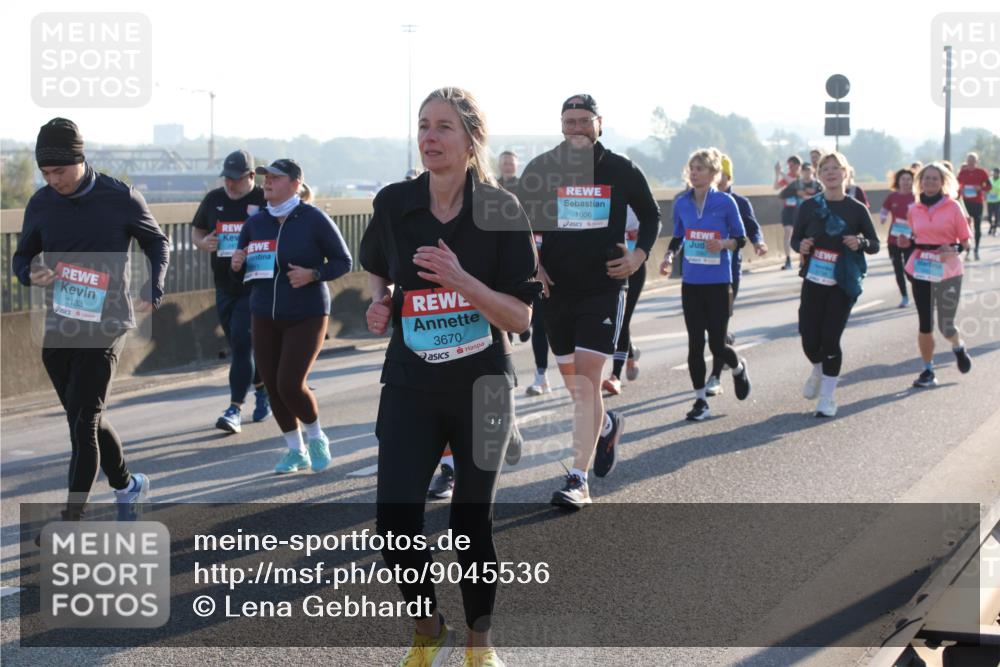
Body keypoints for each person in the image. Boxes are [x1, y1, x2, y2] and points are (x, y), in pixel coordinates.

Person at [361, 86, 537, 667]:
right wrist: (380, 303)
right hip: (411, 381)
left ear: (470, 142)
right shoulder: (393, 204)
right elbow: (376, 272)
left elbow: (519, 316)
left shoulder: (502, 210)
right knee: (394, 520)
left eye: (443, 128)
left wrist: (464, 282)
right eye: (423, 126)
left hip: (483, 382)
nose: (429, 138)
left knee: (471, 523)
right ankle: (427, 626)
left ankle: (479, 645)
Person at [12, 118, 170, 523]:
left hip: (108, 323)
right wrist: (30, 272)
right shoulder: (42, 203)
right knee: (86, 418)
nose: (53, 180)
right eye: (45, 173)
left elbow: (156, 241)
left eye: (59, 172)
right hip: (60, 324)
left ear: (79, 160)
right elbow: (22, 256)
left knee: (83, 426)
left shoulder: (121, 197)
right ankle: (129, 486)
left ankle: (71, 520)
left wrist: (154, 287)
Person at [516, 93, 661, 509]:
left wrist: (638, 255)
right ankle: (606, 425)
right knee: (577, 388)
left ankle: (578, 479)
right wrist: (535, 265)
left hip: (604, 286)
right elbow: (519, 221)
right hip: (555, 290)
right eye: (568, 122)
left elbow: (651, 215)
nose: (575, 128)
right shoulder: (542, 167)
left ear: (600, 124)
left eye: (583, 121)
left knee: (586, 381)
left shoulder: (619, 168)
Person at [230, 159, 352, 474]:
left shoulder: (313, 219)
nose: (267, 182)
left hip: (306, 312)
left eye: (275, 177)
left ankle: (316, 435)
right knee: (272, 385)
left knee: (289, 382)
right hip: (263, 312)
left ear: (296, 183)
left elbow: (343, 261)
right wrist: (238, 260)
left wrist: (314, 274)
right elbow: (242, 260)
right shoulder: (255, 223)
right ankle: (295, 451)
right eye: (265, 177)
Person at [660, 148, 751, 421]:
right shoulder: (682, 204)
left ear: (713, 173)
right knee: (694, 344)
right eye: (692, 168)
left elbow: (741, 239)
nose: (695, 173)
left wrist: (723, 243)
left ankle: (737, 367)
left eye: (700, 168)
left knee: (717, 345)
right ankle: (700, 400)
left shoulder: (725, 202)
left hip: (719, 282)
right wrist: (668, 256)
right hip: (692, 282)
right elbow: (678, 236)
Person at [791, 152, 880, 418]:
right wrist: (803, 245)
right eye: (825, 169)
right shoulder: (809, 207)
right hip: (814, 279)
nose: (830, 173)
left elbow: (874, 243)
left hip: (842, 282)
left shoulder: (856, 209)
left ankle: (828, 398)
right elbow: (795, 240)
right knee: (809, 337)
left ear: (846, 172)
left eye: (836, 168)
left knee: (830, 338)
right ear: (819, 175)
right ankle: (818, 368)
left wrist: (860, 242)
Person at [192, 149, 271, 433]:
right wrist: (204, 243)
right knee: (243, 346)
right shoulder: (214, 199)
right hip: (224, 284)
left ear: (251, 176)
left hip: (255, 285)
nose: (230, 184)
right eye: (226, 178)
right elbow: (197, 231)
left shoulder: (264, 198)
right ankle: (262, 388)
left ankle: (234, 408)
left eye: (236, 179)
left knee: (240, 343)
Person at [898, 163, 972, 388]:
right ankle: (928, 370)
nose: (930, 182)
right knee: (925, 323)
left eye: (934, 178)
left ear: (942, 182)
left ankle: (957, 346)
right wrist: (906, 243)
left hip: (948, 270)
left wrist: (955, 249)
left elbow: (966, 242)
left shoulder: (953, 207)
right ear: (920, 182)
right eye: (926, 178)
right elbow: (914, 236)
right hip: (922, 268)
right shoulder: (914, 209)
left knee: (945, 324)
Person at [704, 154, 767, 397]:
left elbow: (752, 228)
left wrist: (759, 243)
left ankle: (715, 377)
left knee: (718, 330)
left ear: (727, 177)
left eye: (720, 176)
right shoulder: (699, 200)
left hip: (728, 274)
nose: (716, 180)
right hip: (700, 274)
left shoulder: (738, 201)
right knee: (714, 330)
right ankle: (727, 344)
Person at [602, 206, 645, 395]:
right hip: (608, 263)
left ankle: (616, 375)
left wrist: (637, 235)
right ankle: (631, 351)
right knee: (613, 317)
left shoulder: (635, 190)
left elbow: (653, 222)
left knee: (624, 318)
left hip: (633, 265)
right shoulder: (600, 194)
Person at [879, 168, 917, 308]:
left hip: (910, 240)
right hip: (893, 239)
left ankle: (919, 291)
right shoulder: (892, 197)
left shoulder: (916, 197)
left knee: (909, 269)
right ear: (898, 181)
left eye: (909, 179)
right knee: (898, 269)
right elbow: (884, 209)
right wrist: (883, 217)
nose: (906, 182)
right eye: (903, 179)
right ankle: (905, 297)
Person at [956, 152, 993, 260]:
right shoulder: (963, 172)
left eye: (973, 160)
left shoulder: (981, 172)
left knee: (977, 226)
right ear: (966, 161)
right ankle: (967, 248)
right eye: (969, 160)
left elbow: (989, 186)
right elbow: (956, 185)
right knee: (965, 226)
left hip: (977, 202)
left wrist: (980, 188)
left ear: (976, 161)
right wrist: (960, 190)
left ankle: (976, 248)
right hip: (965, 203)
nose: (970, 162)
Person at [775, 155, 807, 270]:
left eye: (792, 165)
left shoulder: (803, 176)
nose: (790, 168)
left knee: (801, 235)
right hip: (788, 209)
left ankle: (802, 259)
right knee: (787, 232)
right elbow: (776, 186)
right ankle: (788, 259)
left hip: (800, 209)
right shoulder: (787, 176)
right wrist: (777, 174)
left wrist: (782, 172)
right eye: (788, 166)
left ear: (798, 165)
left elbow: (793, 182)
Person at [987, 167, 1000, 236]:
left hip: (997, 200)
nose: (995, 174)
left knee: (997, 215)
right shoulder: (989, 179)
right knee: (989, 216)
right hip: (990, 200)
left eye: (996, 172)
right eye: (994, 172)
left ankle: (994, 229)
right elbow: (986, 187)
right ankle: (991, 225)